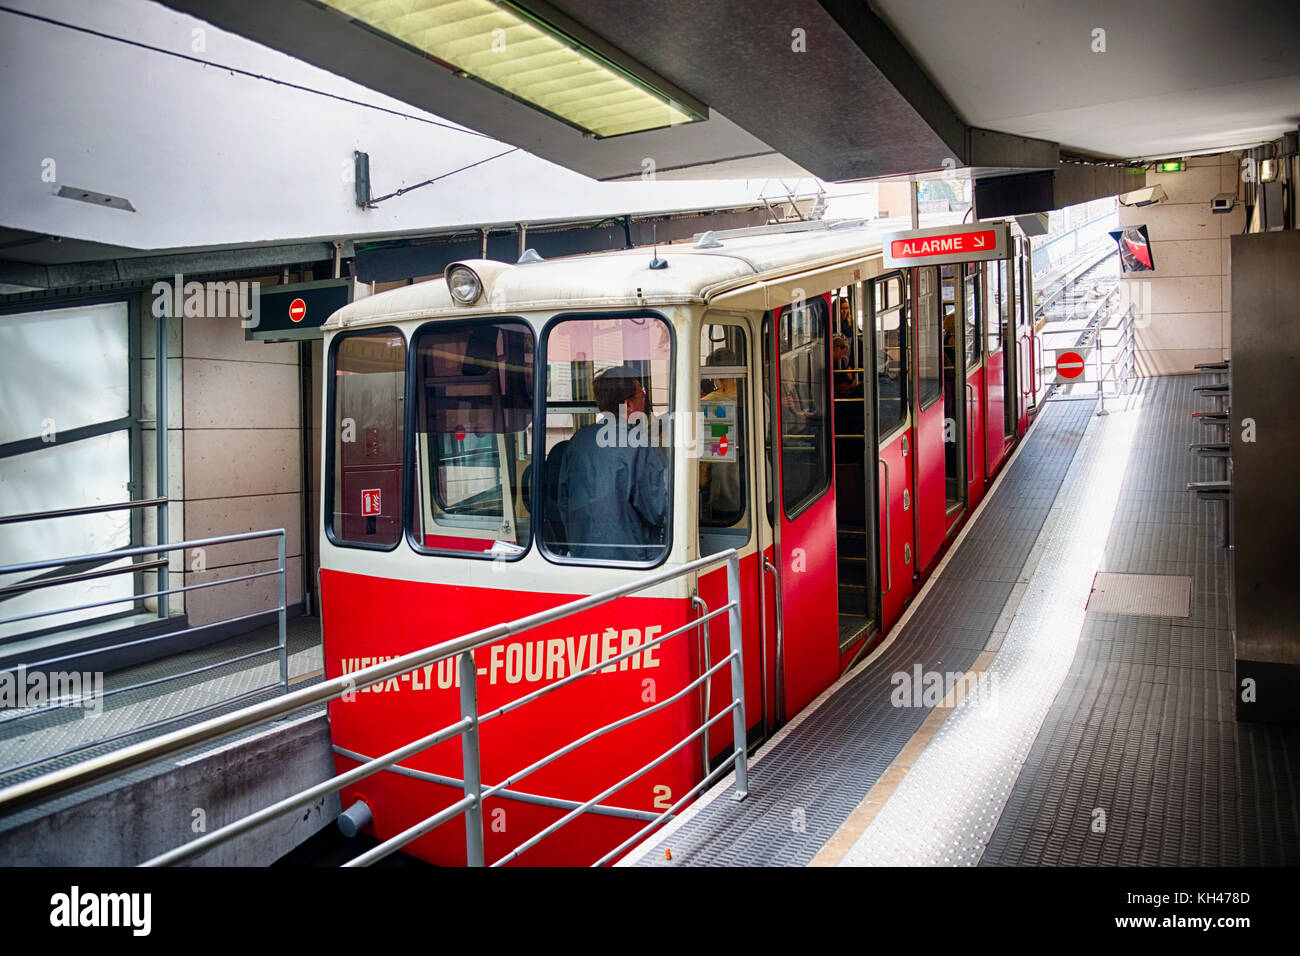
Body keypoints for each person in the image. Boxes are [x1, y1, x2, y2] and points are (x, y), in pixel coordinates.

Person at [555, 365, 668, 561]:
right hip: (632, 562)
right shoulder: (641, 445)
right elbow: (658, 510)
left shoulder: (578, 441)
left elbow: (564, 501)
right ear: (628, 405)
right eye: (642, 393)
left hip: (582, 556)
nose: (645, 397)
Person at [699, 348, 743, 524]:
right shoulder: (756, 396)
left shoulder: (707, 403)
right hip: (761, 479)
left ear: (714, 374)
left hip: (723, 482)